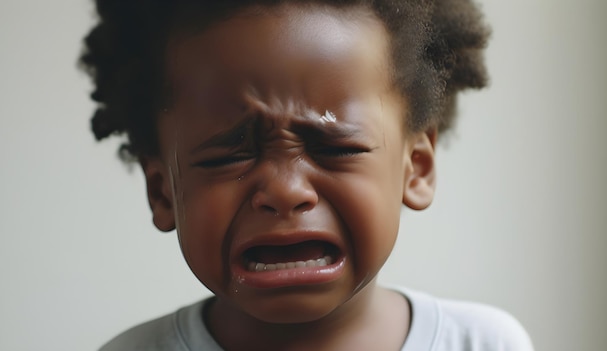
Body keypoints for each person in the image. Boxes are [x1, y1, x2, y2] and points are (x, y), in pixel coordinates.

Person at [81, 0, 534, 350]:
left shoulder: (484, 343)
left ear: (416, 167)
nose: (285, 190)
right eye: (227, 157)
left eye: (334, 147)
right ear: (163, 191)